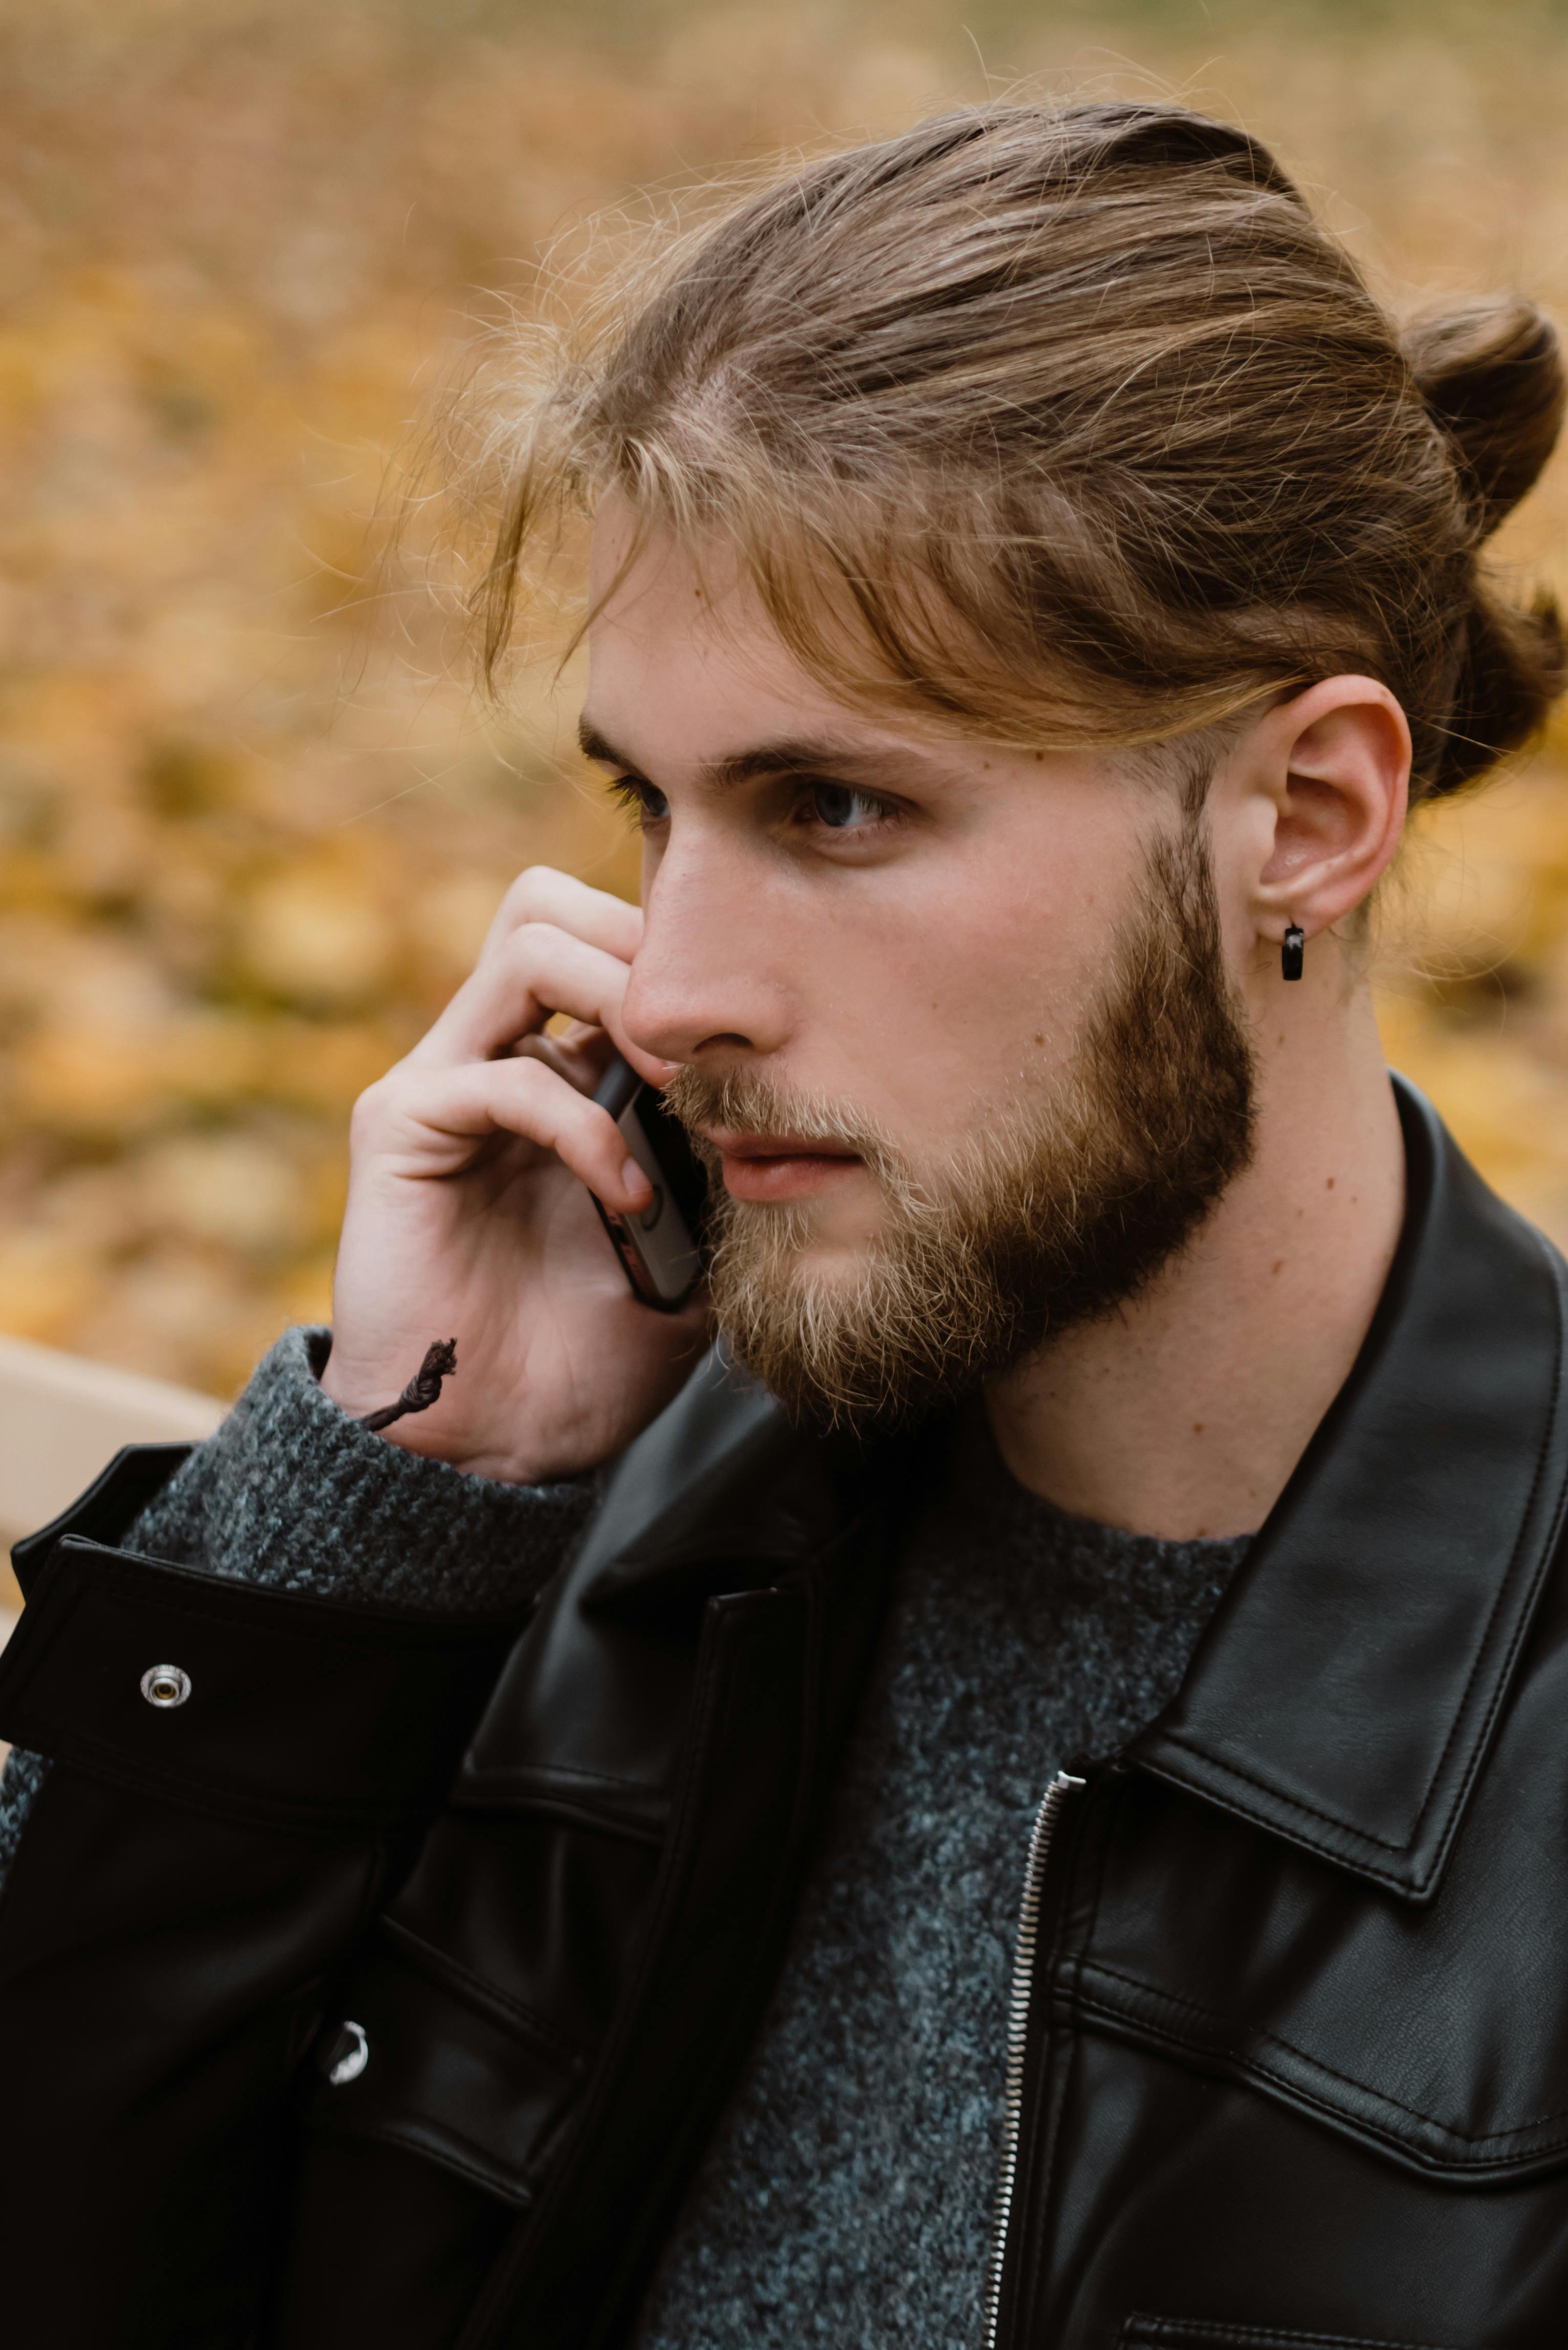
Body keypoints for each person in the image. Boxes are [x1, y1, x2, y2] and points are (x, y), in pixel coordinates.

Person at [1, 98, 1565, 2349]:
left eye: (836, 802)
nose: (673, 980)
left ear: (1305, 812)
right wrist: (389, 1504)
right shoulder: (577, 1527)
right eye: (657, 804)